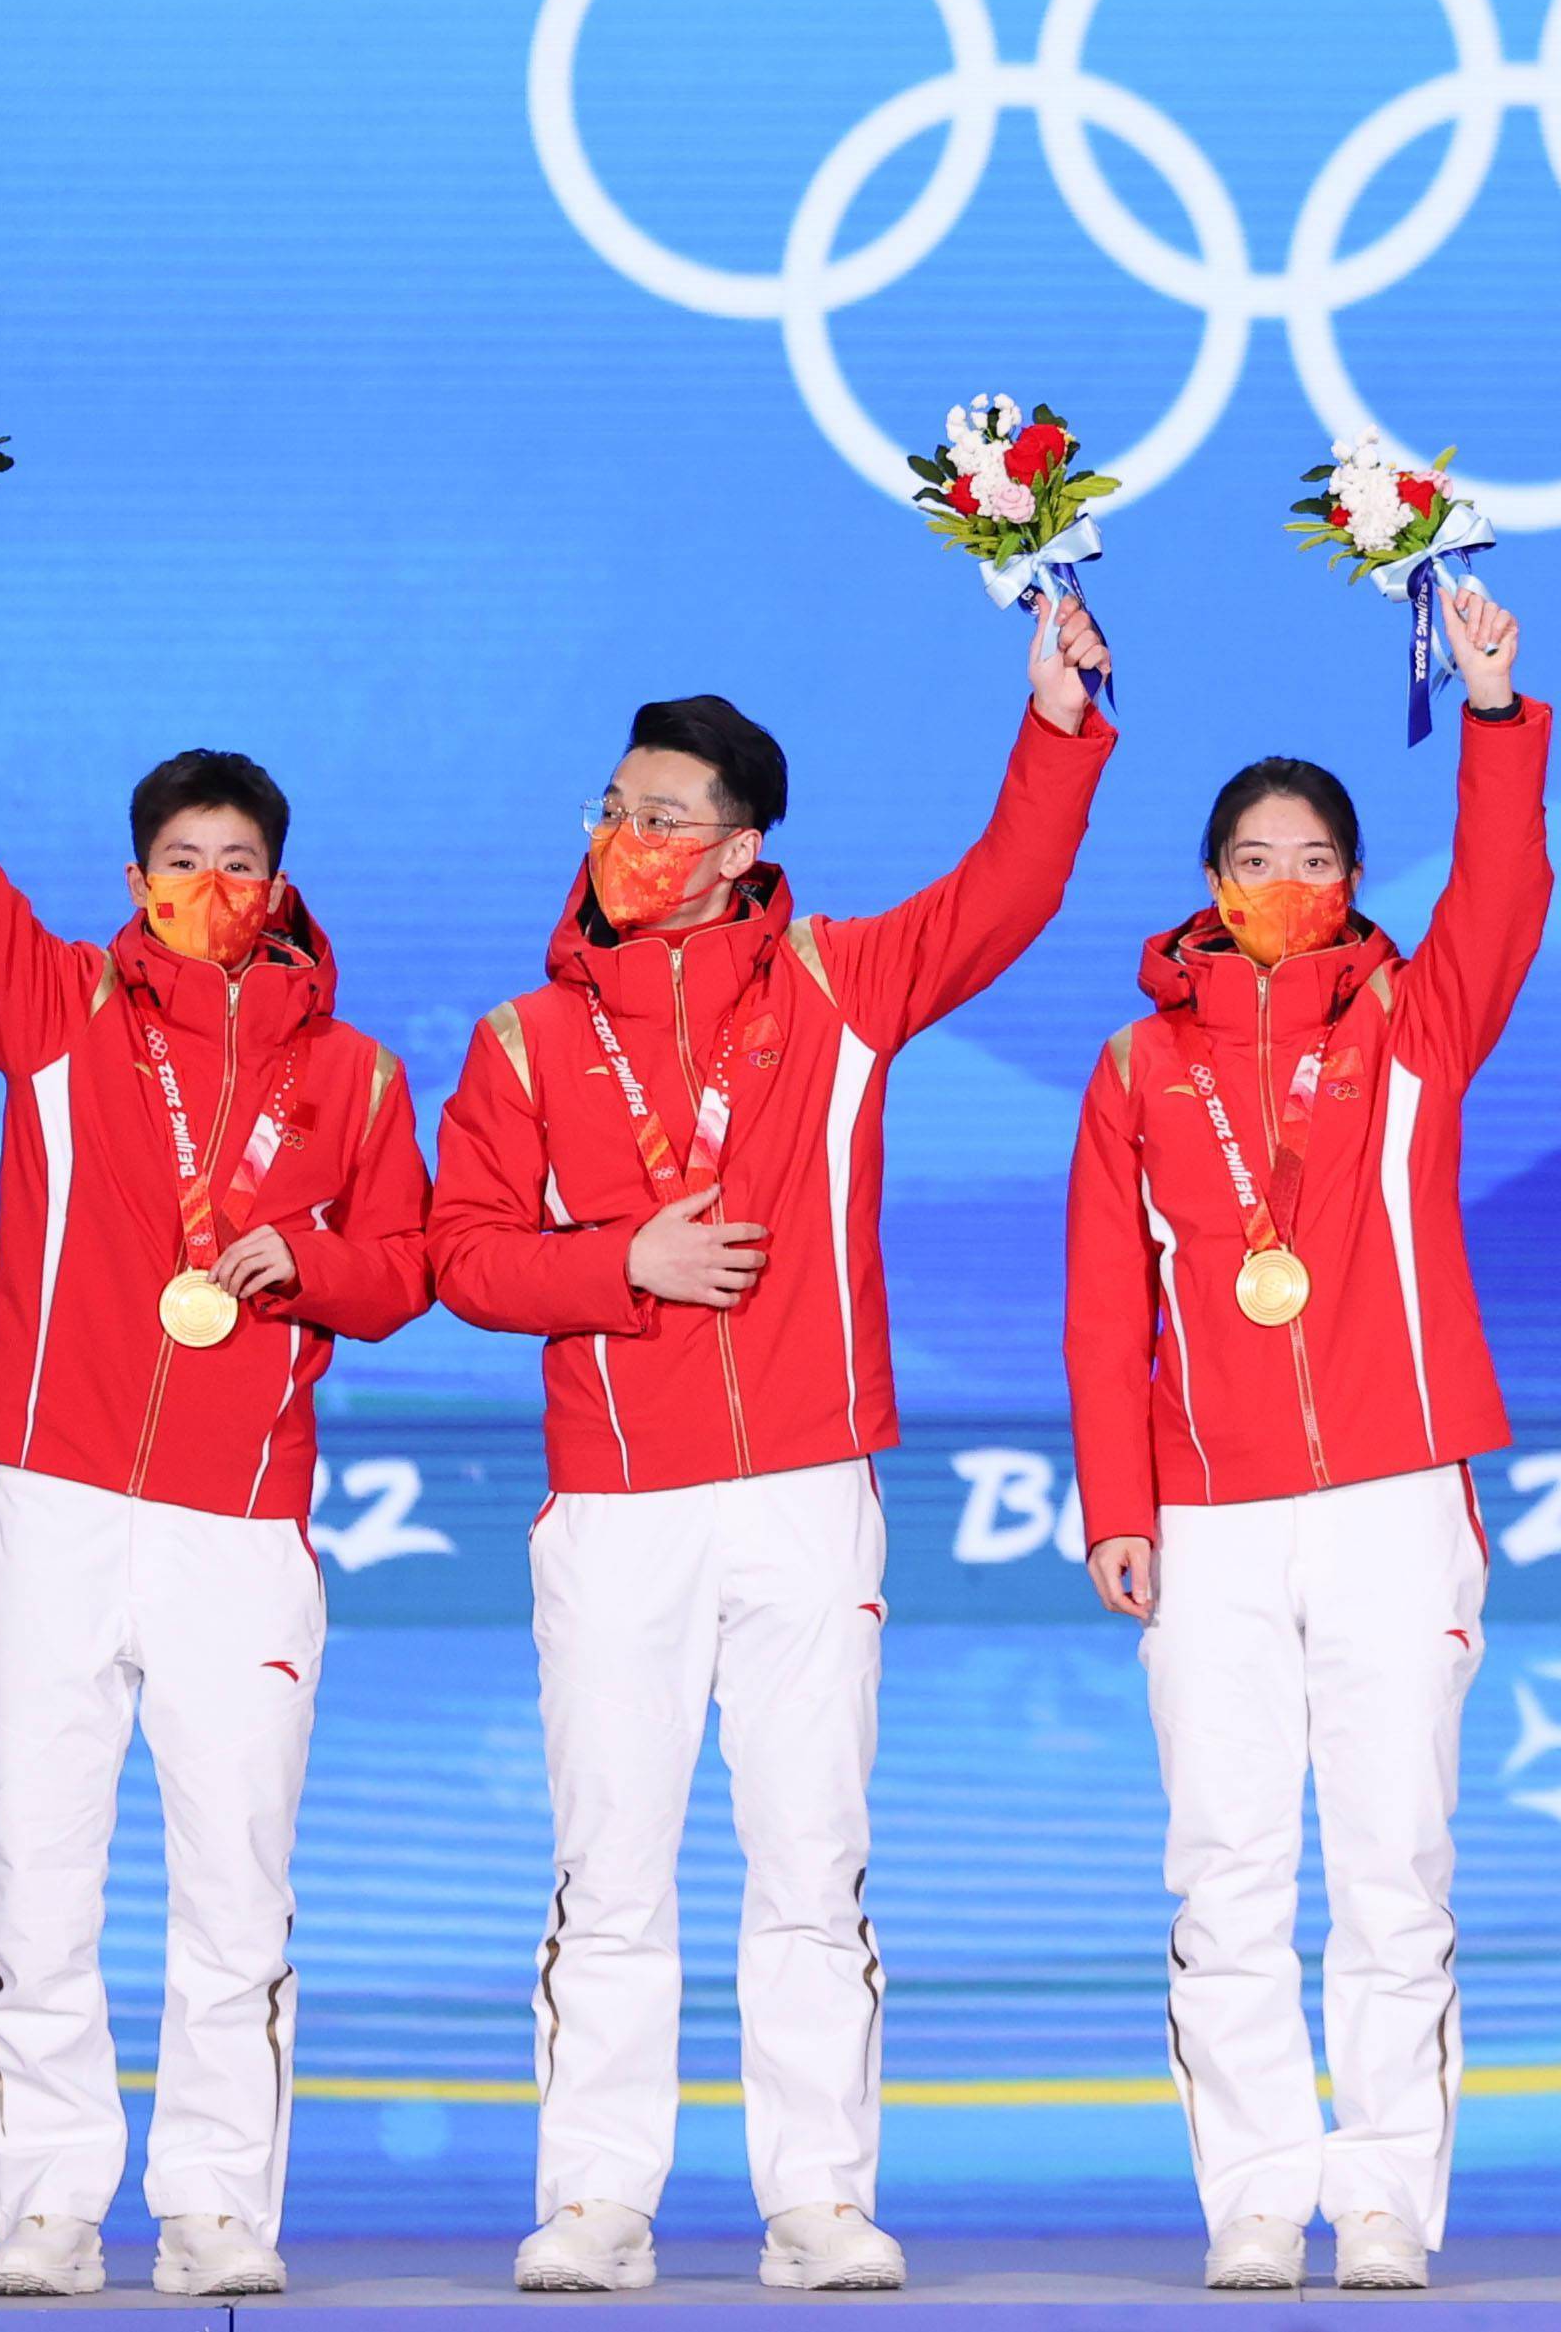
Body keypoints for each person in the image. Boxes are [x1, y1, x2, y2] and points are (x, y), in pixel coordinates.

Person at [431, 595, 1116, 2296]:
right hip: (616, 1502)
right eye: (614, 808)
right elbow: (460, 1256)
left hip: (808, 1483)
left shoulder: (836, 984)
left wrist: (1057, 723)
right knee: (611, 1867)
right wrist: (623, 1263)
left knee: (811, 1858)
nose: (628, 839)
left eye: (666, 817)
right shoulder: (524, 1038)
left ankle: (818, 2198)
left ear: (740, 851)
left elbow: (1008, 890)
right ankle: (596, 2199)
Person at [0, 556, 434, 2301]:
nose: (211, 887)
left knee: (236, 1880)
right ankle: (46, 2199)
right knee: (39, 1864)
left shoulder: (357, 1076)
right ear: (135, 882)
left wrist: (309, 1259)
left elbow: (407, 1266)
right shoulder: (55, 1016)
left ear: (281, 883)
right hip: (59, 1500)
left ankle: (219, 2201)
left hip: (241, 1526)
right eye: (182, 860)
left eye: (241, 862)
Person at [1063, 583, 1551, 2297]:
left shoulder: (1414, 1029)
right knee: (1230, 1863)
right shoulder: (1138, 1067)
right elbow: (1103, 1306)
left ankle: (1390, 2192)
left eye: (1317, 857)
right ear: (1210, 882)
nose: (1285, 881)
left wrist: (1491, 709)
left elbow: (1505, 890)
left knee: (1395, 1859)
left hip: (1396, 1496)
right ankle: (1259, 2190)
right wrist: (1119, 1504)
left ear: (1354, 879)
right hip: (1207, 1512)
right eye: (1255, 858)